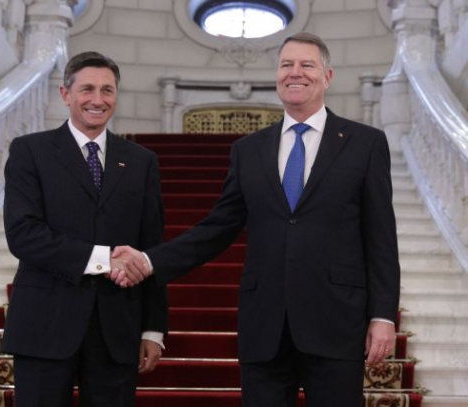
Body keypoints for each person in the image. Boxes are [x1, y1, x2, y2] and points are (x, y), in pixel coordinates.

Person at [111, 32, 400, 406]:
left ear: (328, 76)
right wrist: (150, 261)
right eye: (286, 64)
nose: (295, 73)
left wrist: (383, 316)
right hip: (265, 328)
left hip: (337, 323)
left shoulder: (365, 143)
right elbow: (217, 229)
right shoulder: (248, 150)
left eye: (307, 65)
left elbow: (381, 239)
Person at [1, 51, 168, 407]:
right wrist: (103, 260)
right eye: (87, 89)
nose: (98, 99)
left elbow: (151, 248)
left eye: (107, 90)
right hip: (44, 323)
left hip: (117, 328)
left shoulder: (141, 161)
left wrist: (153, 328)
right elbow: (23, 234)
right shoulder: (30, 151)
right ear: (66, 94)